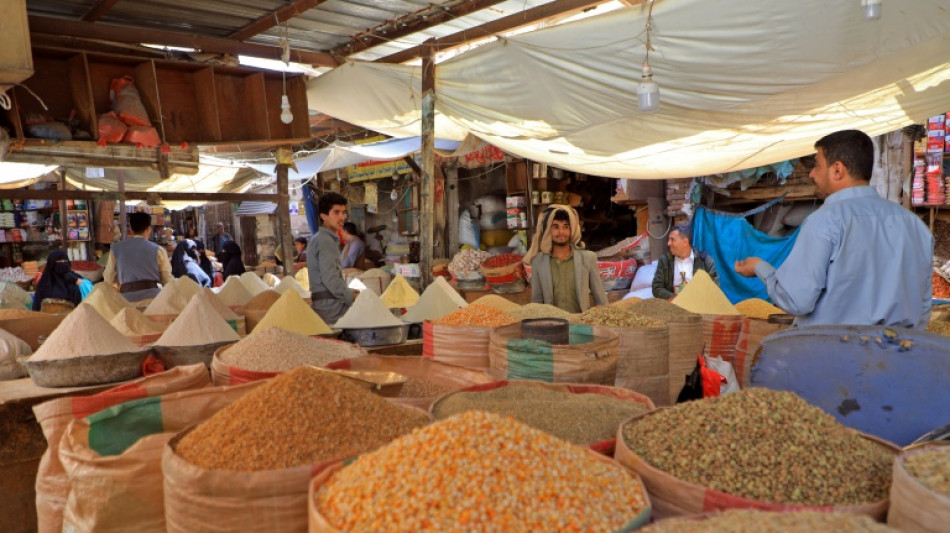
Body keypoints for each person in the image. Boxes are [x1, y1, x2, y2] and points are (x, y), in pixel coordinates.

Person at [735, 129, 933, 329]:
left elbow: (797, 300)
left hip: (837, 353)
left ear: (837, 170)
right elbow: (924, 308)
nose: (812, 174)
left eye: (817, 165)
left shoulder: (825, 221)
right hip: (900, 354)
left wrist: (761, 269)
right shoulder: (915, 226)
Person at [524, 205, 607, 313]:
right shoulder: (538, 262)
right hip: (553, 324)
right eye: (556, 227)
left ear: (571, 229)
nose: (561, 232)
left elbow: (600, 299)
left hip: (579, 324)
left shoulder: (587, 258)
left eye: (566, 227)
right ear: (549, 230)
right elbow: (537, 301)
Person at [103, 211, 174, 302]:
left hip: (127, 301)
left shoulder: (116, 248)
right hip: (153, 301)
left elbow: (108, 277)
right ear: (149, 229)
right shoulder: (158, 250)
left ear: (131, 229)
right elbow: (167, 279)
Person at [308, 192, 355, 323]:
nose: (342, 217)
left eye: (343, 212)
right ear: (324, 216)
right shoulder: (325, 240)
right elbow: (330, 277)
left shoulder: (321, 238)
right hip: (331, 308)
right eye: (336, 212)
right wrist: (349, 295)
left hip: (326, 304)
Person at [652, 224, 719, 300]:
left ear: (684, 242)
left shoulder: (705, 260)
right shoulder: (665, 261)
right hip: (673, 306)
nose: (668, 243)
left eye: (672, 239)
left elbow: (714, 288)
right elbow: (656, 288)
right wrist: (675, 298)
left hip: (698, 306)